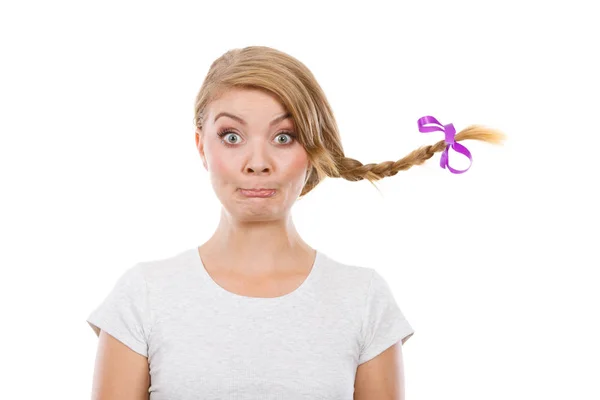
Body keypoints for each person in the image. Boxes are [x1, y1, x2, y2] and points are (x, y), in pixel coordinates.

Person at [86, 45, 506, 399]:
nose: (257, 163)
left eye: (283, 137)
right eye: (231, 136)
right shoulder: (142, 297)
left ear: (313, 149)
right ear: (201, 146)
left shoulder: (363, 300)